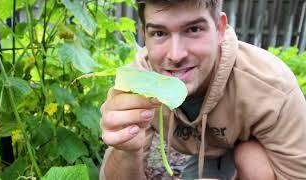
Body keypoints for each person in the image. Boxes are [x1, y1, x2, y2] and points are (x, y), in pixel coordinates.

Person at [99, 0, 306, 179]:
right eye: (159, 33)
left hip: (251, 144)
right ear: (144, 34)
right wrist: (126, 151)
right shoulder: (138, 84)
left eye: (194, 29)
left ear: (220, 29)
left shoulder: (272, 87)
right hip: (202, 154)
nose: (176, 55)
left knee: (252, 160)